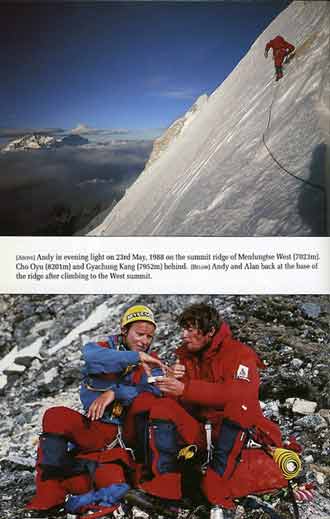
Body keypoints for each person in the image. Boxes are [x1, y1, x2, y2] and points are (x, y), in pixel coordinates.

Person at [137, 303, 288, 510]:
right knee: (163, 407)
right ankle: (167, 478)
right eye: (183, 329)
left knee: (238, 407)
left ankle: (216, 479)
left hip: (235, 433)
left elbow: (238, 395)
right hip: (203, 434)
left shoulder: (239, 354)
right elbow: (185, 404)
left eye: (190, 330)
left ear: (210, 332)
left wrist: (185, 388)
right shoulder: (187, 357)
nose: (184, 335)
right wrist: (172, 387)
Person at [26, 304, 164, 515]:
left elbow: (151, 392)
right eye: (139, 334)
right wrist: (135, 358)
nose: (144, 341)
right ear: (124, 330)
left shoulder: (152, 363)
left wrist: (115, 393)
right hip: (92, 431)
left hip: (121, 445)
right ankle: (47, 496)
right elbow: (92, 358)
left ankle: (82, 499)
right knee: (56, 416)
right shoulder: (102, 348)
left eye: (149, 337)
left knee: (111, 487)